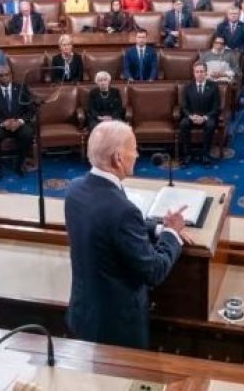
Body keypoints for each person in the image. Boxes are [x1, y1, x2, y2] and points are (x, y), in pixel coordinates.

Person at [64, 120, 186, 349]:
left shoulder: (74, 189)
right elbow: (154, 271)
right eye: (134, 148)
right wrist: (171, 233)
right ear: (118, 158)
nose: (138, 154)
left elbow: (106, 224)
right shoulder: (123, 211)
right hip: (116, 329)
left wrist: (157, 227)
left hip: (84, 314)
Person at [0, 65, 34, 178]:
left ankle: (19, 163)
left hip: (18, 124)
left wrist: (20, 121)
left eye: (7, 74)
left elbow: (31, 110)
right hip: (0, 126)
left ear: (11, 75)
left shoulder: (21, 89)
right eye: (1, 75)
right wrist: (2, 123)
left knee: (28, 133)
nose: (4, 77)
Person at [178, 62, 221, 167]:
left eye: (202, 71)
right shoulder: (187, 87)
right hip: (192, 116)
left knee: (211, 125)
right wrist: (191, 116)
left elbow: (216, 107)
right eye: (197, 71)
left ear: (206, 73)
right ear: (194, 73)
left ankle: (205, 155)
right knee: (183, 124)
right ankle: (187, 154)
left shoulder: (213, 87)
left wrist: (205, 118)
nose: (199, 74)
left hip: (207, 116)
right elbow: (184, 106)